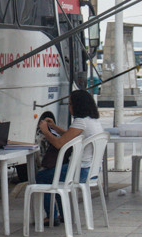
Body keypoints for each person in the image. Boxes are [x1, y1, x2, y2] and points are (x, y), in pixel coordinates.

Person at [35, 90, 103, 224]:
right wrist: (54, 127)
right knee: (57, 177)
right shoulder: (93, 121)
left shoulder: (80, 121)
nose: (69, 106)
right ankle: (62, 214)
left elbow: (59, 143)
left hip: (79, 171)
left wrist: (45, 131)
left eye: (70, 103)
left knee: (42, 177)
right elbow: (70, 135)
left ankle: (52, 216)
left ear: (78, 105)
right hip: (91, 171)